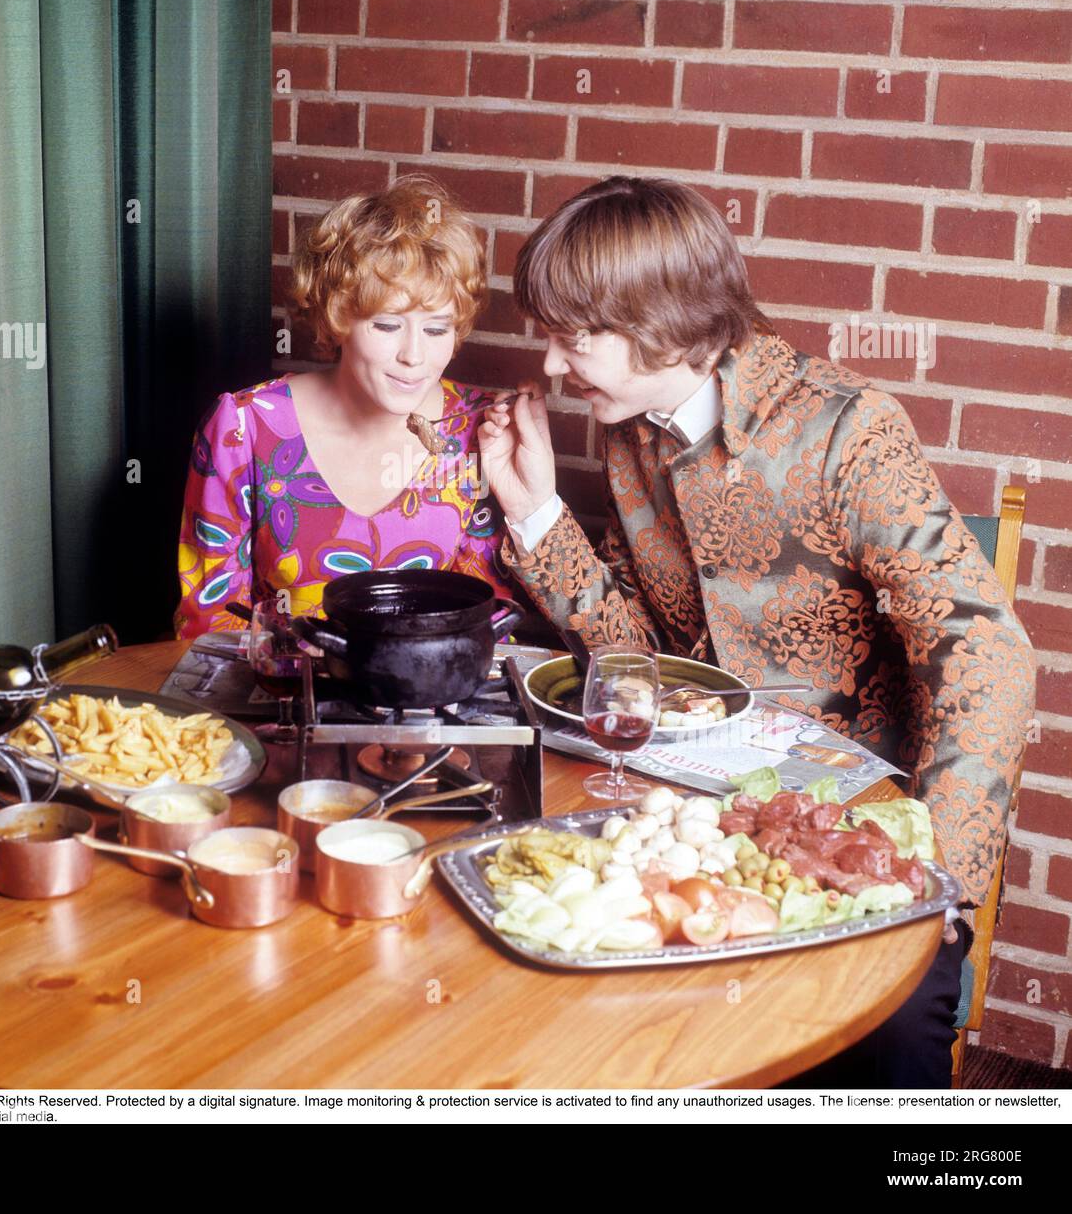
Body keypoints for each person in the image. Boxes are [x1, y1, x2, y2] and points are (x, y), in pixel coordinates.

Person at [477, 175, 1036, 1086]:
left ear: (662, 320)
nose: (548, 364)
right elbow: (640, 664)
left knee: (881, 1055)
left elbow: (989, 655)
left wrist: (932, 883)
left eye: (573, 337)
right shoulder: (631, 431)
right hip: (701, 818)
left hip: (858, 835)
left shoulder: (844, 429)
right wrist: (537, 510)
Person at [175, 176, 511, 638]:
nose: (414, 356)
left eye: (437, 330)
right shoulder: (243, 426)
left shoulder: (481, 426)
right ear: (338, 317)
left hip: (433, 700)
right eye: (388, 325)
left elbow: (488, 620)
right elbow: (209, 619)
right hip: (282, 698)